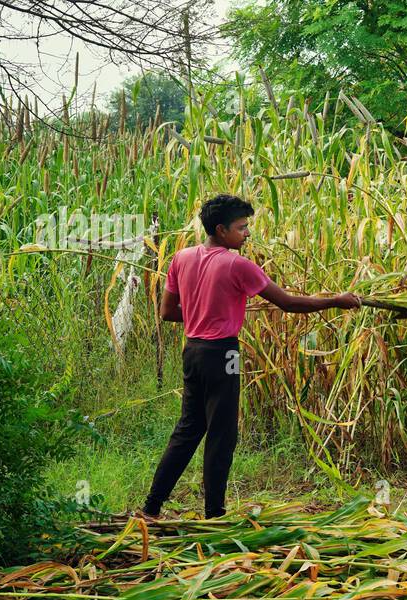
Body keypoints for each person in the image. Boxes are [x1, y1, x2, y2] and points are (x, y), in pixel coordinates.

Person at [139, 194, 361, 520]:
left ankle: (151, 507)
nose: (247, 234)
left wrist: (206, 311)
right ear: (221, 229)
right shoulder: (237, 265)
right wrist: (336, 301)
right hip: (225, 353)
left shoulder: (181, 258)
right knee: (222, 434)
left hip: (194, 353)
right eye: (242, 228)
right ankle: (215, 514)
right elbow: (288, 303)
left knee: (187, 430)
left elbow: (168, 312)